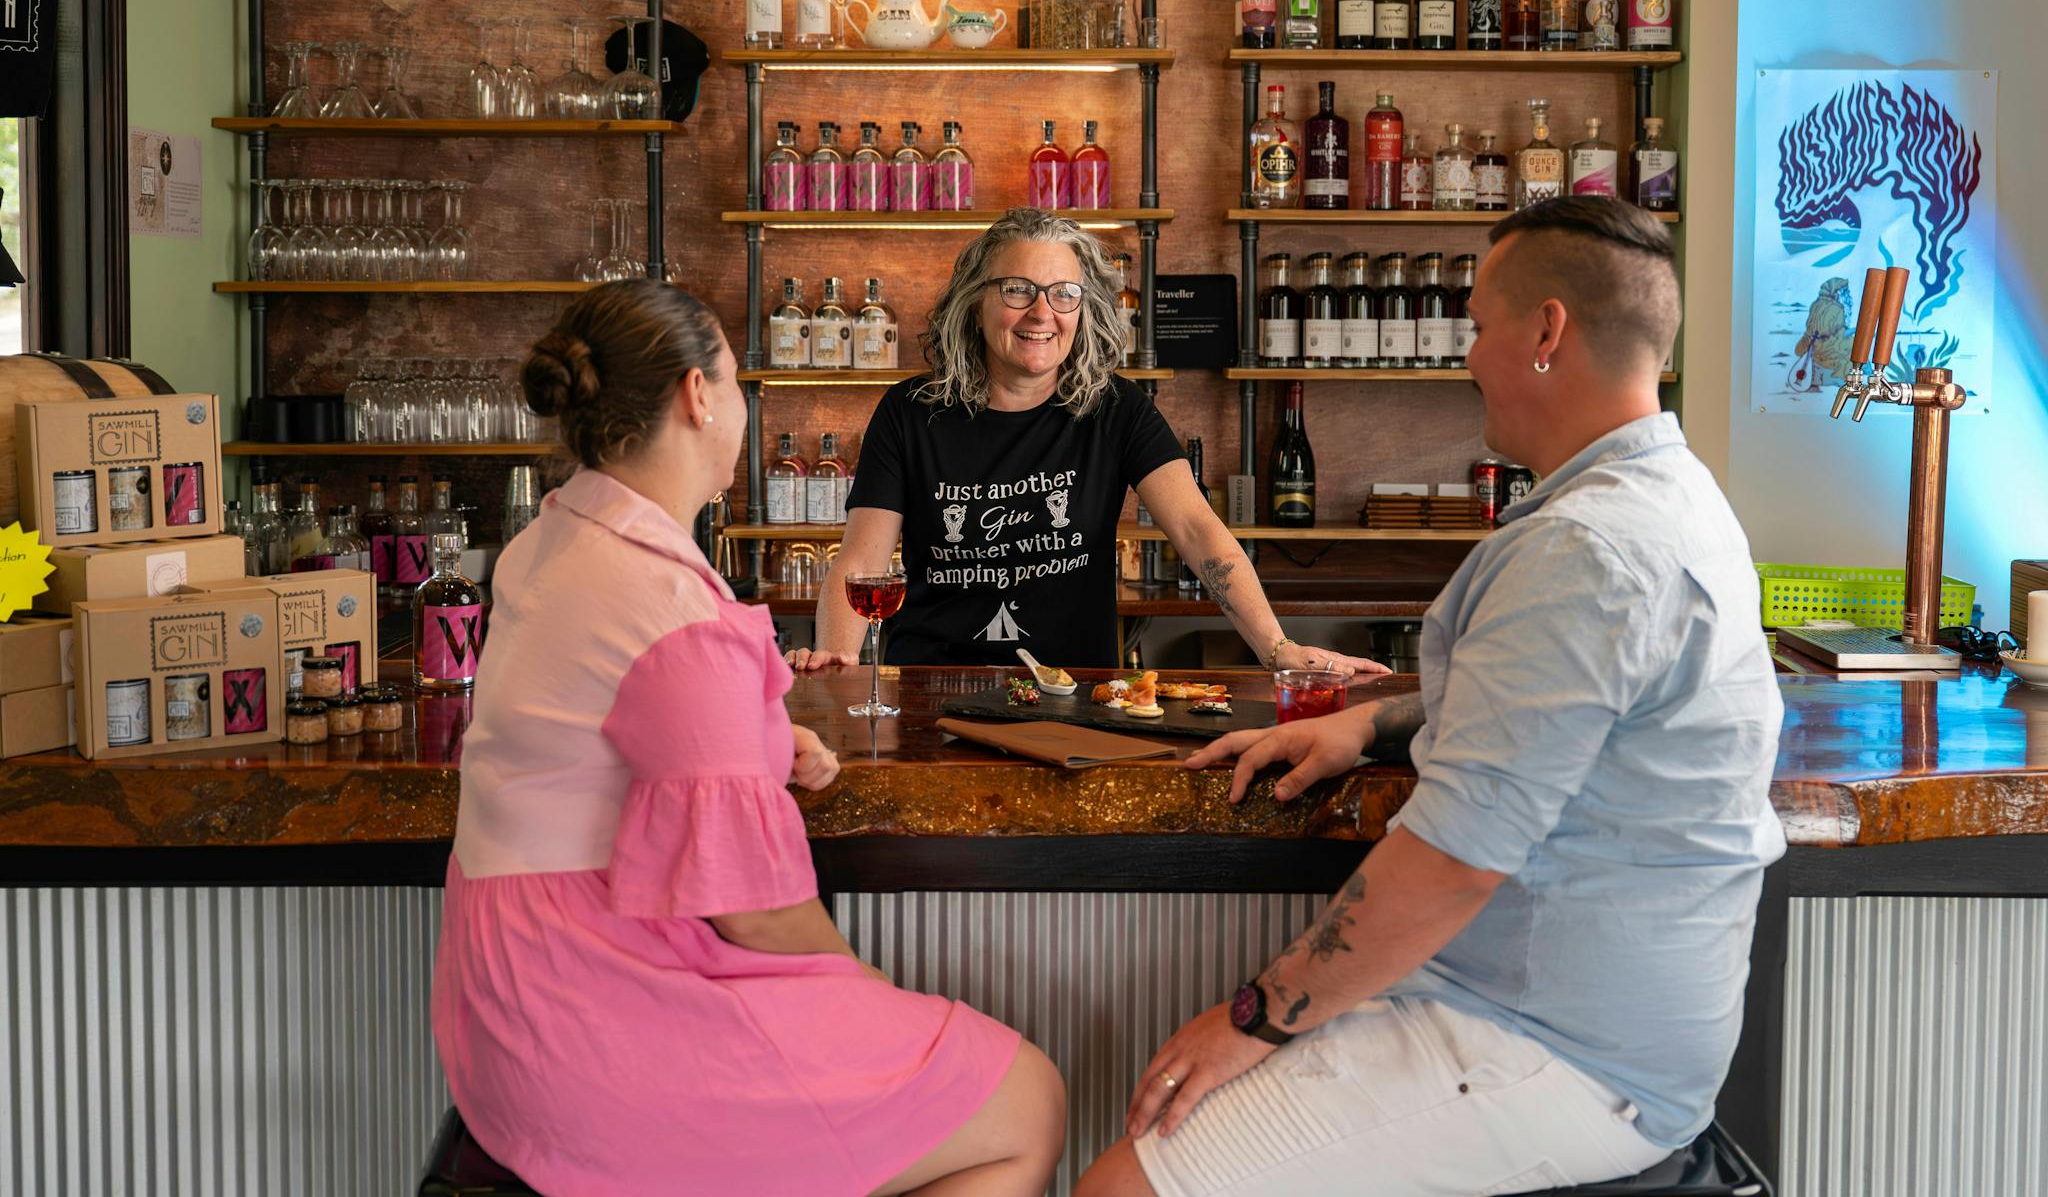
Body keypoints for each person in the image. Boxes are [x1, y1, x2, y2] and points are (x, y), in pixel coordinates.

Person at [1078, 198, 1787, 1197]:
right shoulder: (1666, 496)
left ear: (1544, 333)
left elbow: (1454, 863)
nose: (1465, 355)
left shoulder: (1584, 549)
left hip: (1560, 1048)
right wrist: (1369, 721)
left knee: (1120, 1188)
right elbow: (1566, 718)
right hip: (1603, 1027)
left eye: (1476, 326)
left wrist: (1255, 1018)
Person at [432, 280, 1065, 1197]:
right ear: (697, 396)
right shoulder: (672, 606)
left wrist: (759, 745)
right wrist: (868, 992)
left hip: (500, 999)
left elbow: (598, 734)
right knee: (1027, 1100)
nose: (736, 403)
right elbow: (757, 910)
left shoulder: (549, 539)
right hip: (601, 1012)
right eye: (733, 381)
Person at [788, 208, 1382, 677]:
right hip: (934, 686)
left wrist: (1277, 648)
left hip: (1076, 690)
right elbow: (862, 561)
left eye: (1063, 293)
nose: (1042, 312)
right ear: (975, 304)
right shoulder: (910, 412)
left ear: (1085, 309)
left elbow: (1201, 534)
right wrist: (839, 662)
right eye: (1017, 289)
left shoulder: (1115, 408)